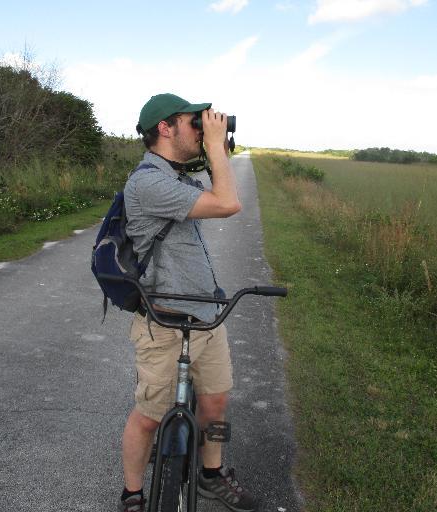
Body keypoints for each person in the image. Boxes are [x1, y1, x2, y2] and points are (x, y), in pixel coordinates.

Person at [119, 93, 257, 512]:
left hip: (207, 317)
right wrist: (214, 144)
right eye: (192, 121)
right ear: (165, 127)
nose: (201, 127)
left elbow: (218, 184)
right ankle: (132, 493)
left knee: (215, 403)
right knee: (148, 416)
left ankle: (211, 475)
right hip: (163, 321)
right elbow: (229, 202)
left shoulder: (178, 178)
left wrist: (216, 147)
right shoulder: (147, 181)